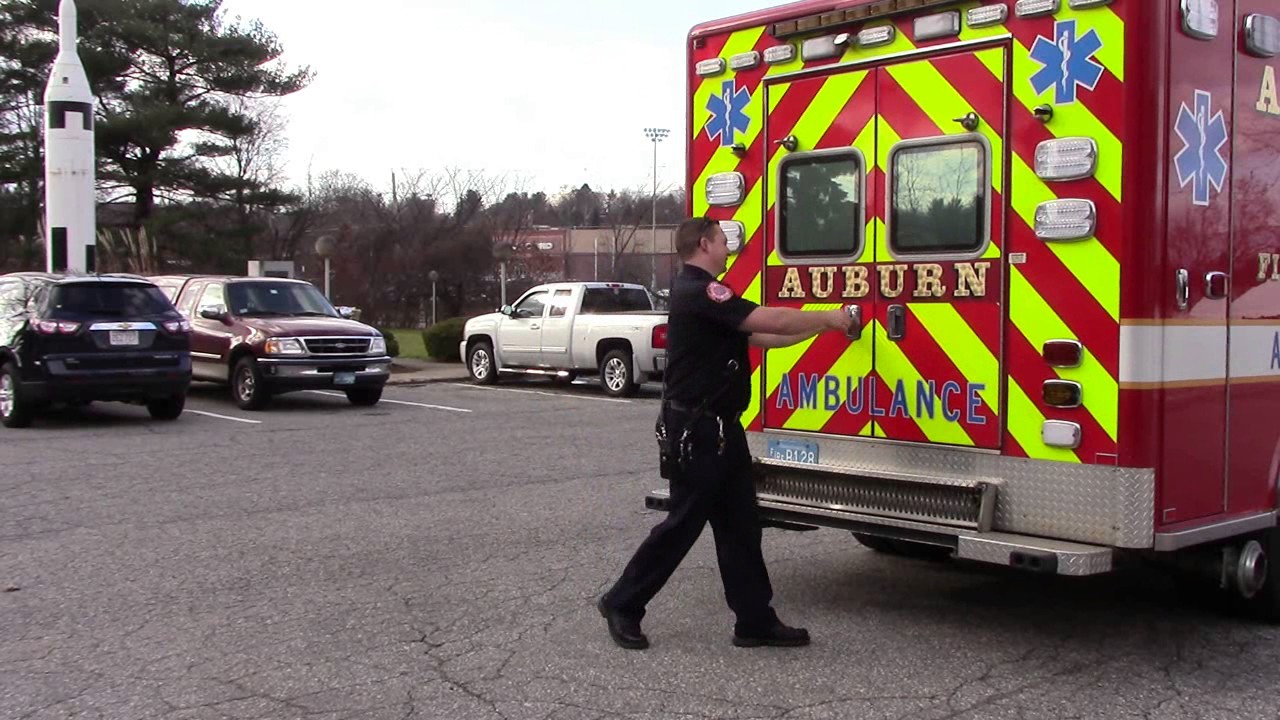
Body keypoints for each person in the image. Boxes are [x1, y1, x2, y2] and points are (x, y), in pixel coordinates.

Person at [597, 216, 856, 650]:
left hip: (720, 429)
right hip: (698, 430)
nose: (727, 245)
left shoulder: (707, 297)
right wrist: (830, 314)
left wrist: (823, 327)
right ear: (704, 243)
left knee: (740, 526)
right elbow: (768, 317)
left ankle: (754, 620)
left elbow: (763, 336)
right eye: (722, 239)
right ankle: (621, 602)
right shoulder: (701, 291)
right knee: (682, 525)